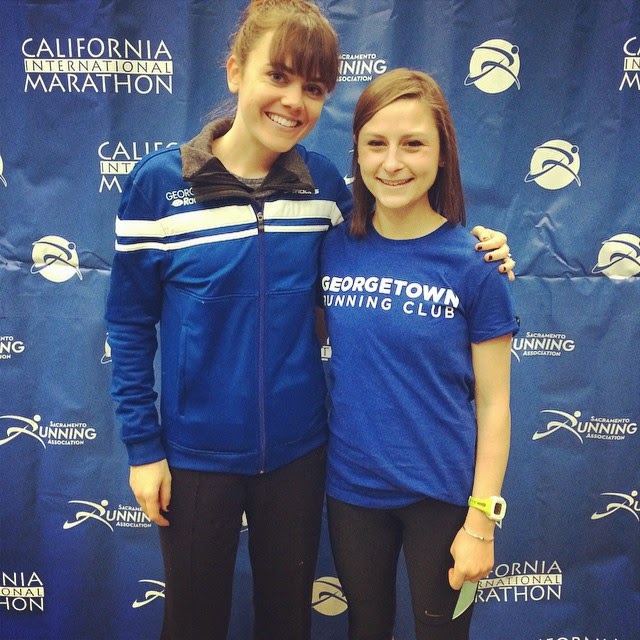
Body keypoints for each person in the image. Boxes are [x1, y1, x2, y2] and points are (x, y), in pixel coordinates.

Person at [105, 1, 513, 637]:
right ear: (235, 71)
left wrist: (484, 248)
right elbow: (130, 326)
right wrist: (143, 447)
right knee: (192, 623)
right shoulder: (158, 185)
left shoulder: (324, 188)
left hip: (301, 456)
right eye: (278, 76)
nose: (293, 101)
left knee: (287, 622)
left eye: (315, 88)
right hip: (194, 455)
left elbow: (397, 235)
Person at [319, 67, 520, 640]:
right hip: (352, 492)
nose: (392, 163)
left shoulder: (477, 265)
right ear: (357, 153)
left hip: (444, 500)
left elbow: (495, 405)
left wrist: (481, 521)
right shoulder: (332, 249)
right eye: (376, 144)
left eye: (413, 144)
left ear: (442, 155)